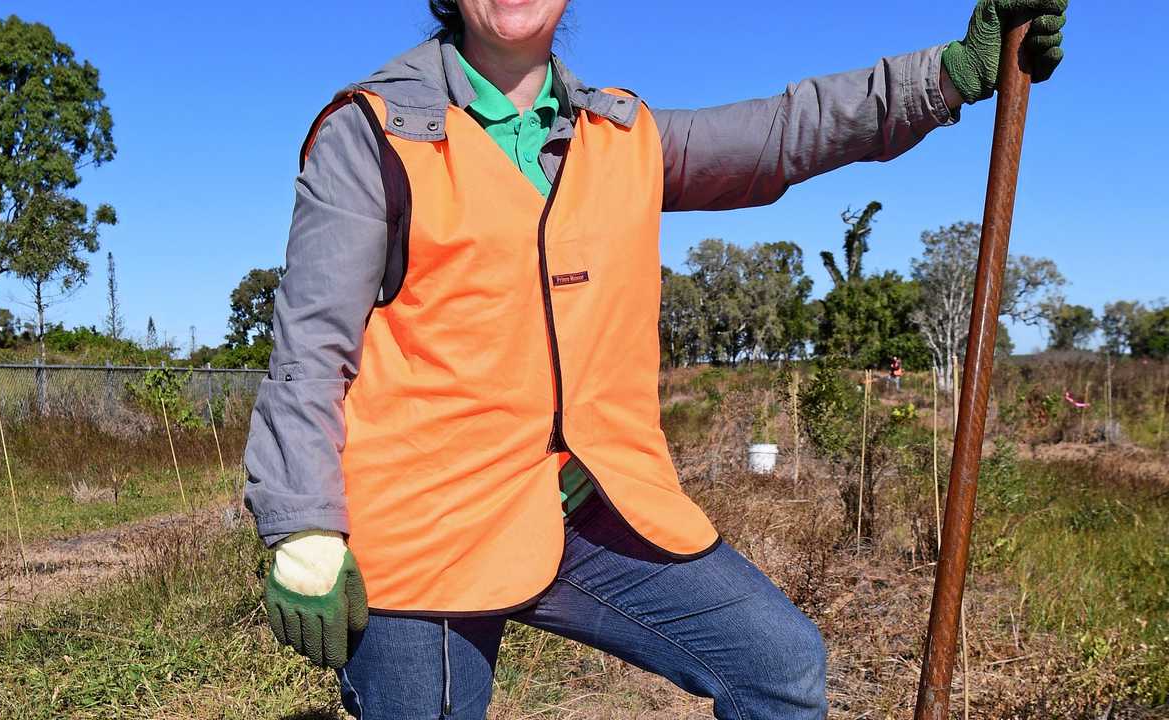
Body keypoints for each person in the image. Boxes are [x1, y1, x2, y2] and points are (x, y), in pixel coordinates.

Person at [243, 1, 1067, 717]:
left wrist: (949, 75)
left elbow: (783, 134)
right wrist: (301, 523)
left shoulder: (621, 134)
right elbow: (310, 348)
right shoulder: (375, 132)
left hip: (581, 503)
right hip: (423, 526)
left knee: (780, 668)